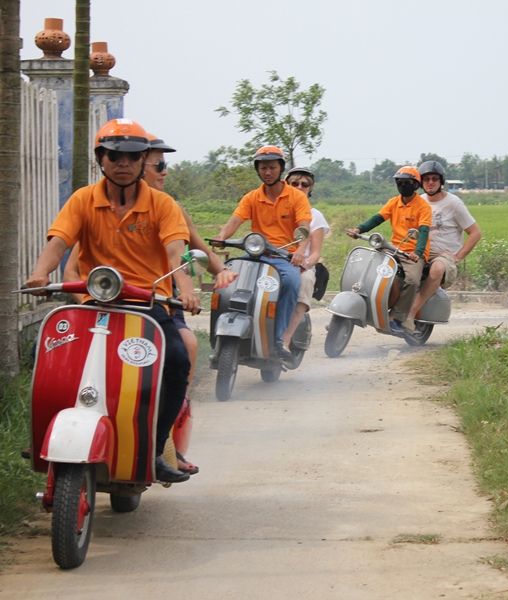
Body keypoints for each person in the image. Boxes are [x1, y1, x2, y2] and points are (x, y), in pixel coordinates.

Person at [25, 118, 197, 483]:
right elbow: (59, 242)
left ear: (142, 162)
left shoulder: (162, 204)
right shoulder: (83, 200)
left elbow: (174, 252)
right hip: (92, 302)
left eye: (132, 156)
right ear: (101, 159)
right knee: (55, 362)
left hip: (146, 304)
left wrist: (183, 285)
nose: (123, 163)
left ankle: (154, 448)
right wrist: (40, 274)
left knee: (177, 362)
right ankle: (43, 435)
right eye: (114, 155)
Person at [214, 146, 311, 359]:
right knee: (228, 279)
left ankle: (278, 339)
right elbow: (235, 221)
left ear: (281, 169)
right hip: (256, 253)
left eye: (272, 167)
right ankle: (221, 335)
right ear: (258, 170)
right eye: (263, 168)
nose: (268, 172)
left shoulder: (297, 197)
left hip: (284, 256)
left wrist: (300, 251)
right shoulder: (251, 197)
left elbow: (305, 228)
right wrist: (222, 236)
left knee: (292, 283)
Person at [346, 166, 431, 334]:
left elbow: (424, 231)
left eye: (406, 182)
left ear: (415, 185)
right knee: (371, 268)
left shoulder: (423, 206)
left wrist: (418, 253)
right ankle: (365, 304)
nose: (402, 185)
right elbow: (377, 219)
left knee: (412, 280)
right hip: (393, 248)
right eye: (399, 182)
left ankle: (397, 317)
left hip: (411, 254)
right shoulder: (394, 202)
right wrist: (359, 229)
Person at [408, 160, 481, 320]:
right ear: (420, 182)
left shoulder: (453, 203)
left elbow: (475, 233)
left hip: (444, 255)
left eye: (435, 179)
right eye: (426, 179)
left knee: (437, 269)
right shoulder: (418, 201)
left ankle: (411, 312)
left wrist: (458, 257)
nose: (430, 183)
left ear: (441, 181)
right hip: (422, 251)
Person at [280, 167, 329, 349]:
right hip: (275, 260)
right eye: (294, 183)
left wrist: (304, 265)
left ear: (310, 188)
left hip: (301, 264)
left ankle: (285, 339)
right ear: (286, 184)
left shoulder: (315, 216)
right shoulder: (276, 207)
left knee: (305, 280)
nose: (299, 187)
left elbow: (315, 252)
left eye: (304, 184)